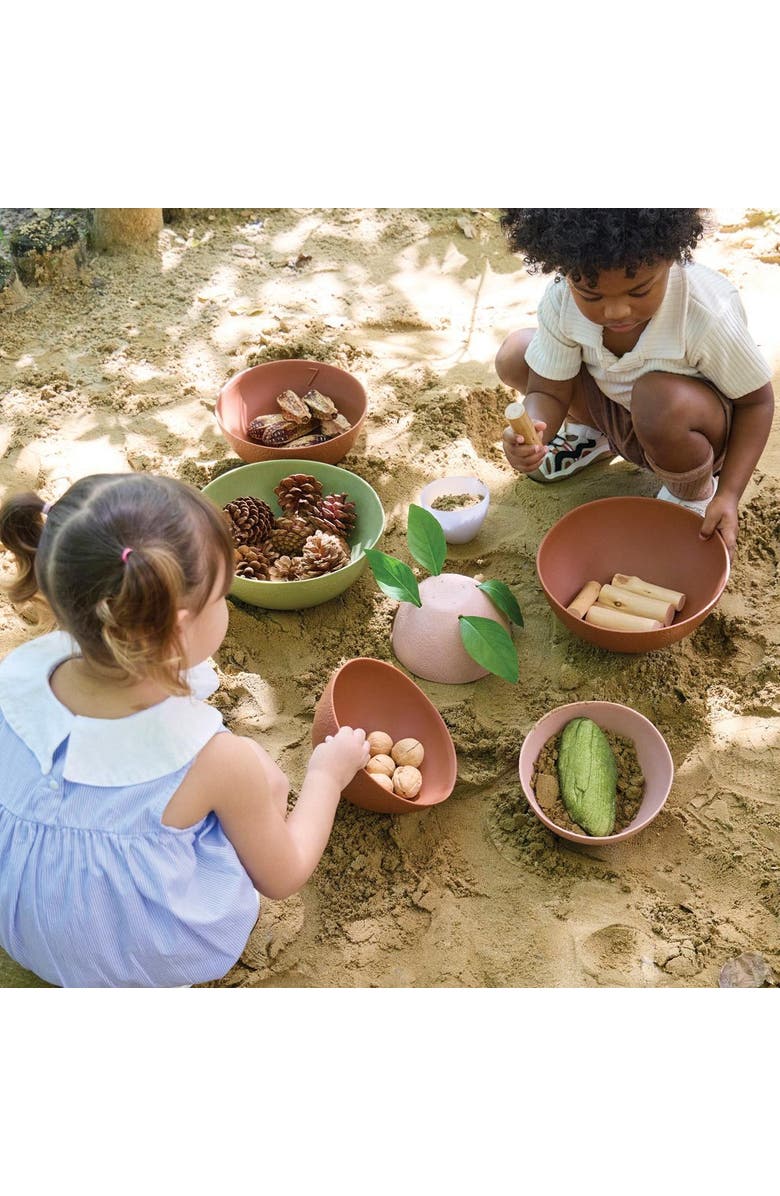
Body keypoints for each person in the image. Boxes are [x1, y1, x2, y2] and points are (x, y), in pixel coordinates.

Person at [0, 473, 369, 988]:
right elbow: (283, 877)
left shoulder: (17, 679)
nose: (226, 607)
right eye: (220, 597)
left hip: (25, 929)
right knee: (260, 781)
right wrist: (327, 777)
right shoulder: (215, 760)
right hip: (143, 956)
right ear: (176, 627)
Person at [496, 208, 775, 555]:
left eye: (638, 291)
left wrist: (728, 493)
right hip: (617, 409)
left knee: (657, 400)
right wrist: (534, 433)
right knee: (516, 354)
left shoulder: (705, 311)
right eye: (592, 296)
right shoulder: (562, 300)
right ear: (565, 272)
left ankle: (690, 494)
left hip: (688, 431)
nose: (615, 312)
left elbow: (756, 403)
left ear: (671, 259)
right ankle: (594, 437)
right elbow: (547, 391)